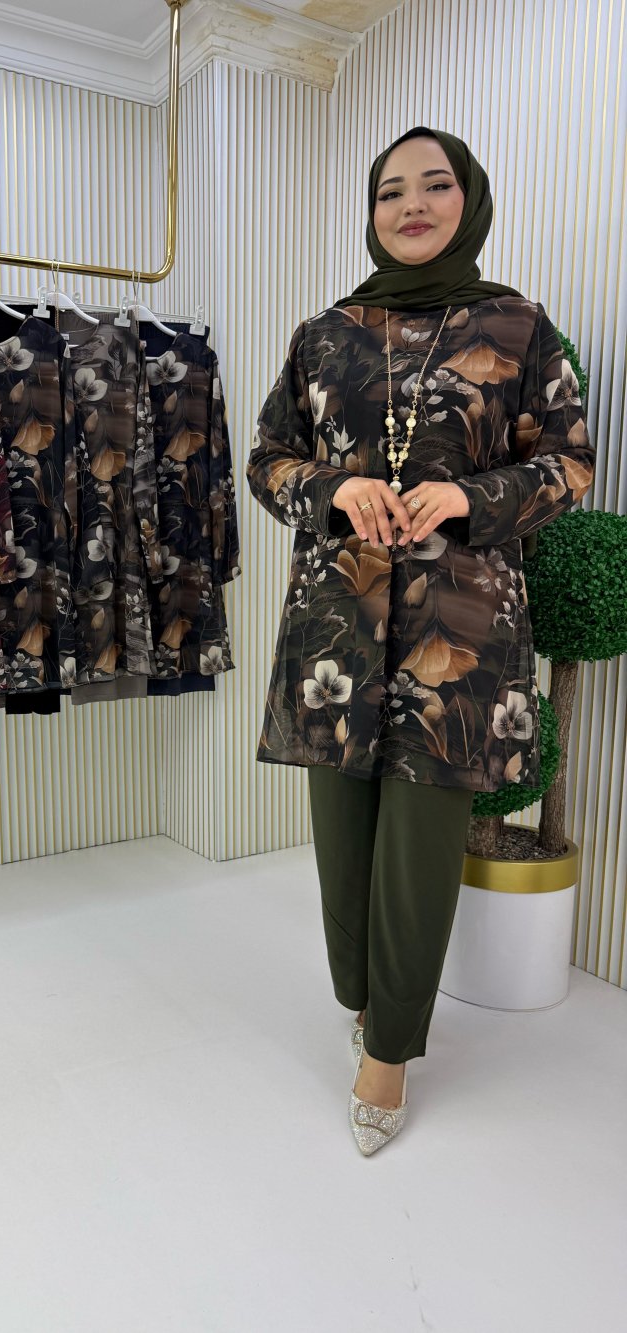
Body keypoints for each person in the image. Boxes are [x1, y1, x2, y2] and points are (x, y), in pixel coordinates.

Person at [246, 126, 596, 1155]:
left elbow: (571, 463)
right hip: (336, 620)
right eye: (391, 190)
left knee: (421, 838)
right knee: (341, 831)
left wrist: (468, 498)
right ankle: (362, 997)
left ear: (468, 201)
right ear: (371, 211)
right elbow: (268, 457)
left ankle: (390, 1051)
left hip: (461, 622)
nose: (412, 205)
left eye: (434, 185)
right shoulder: (324, 334)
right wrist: (332, 487)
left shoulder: (518, 326)